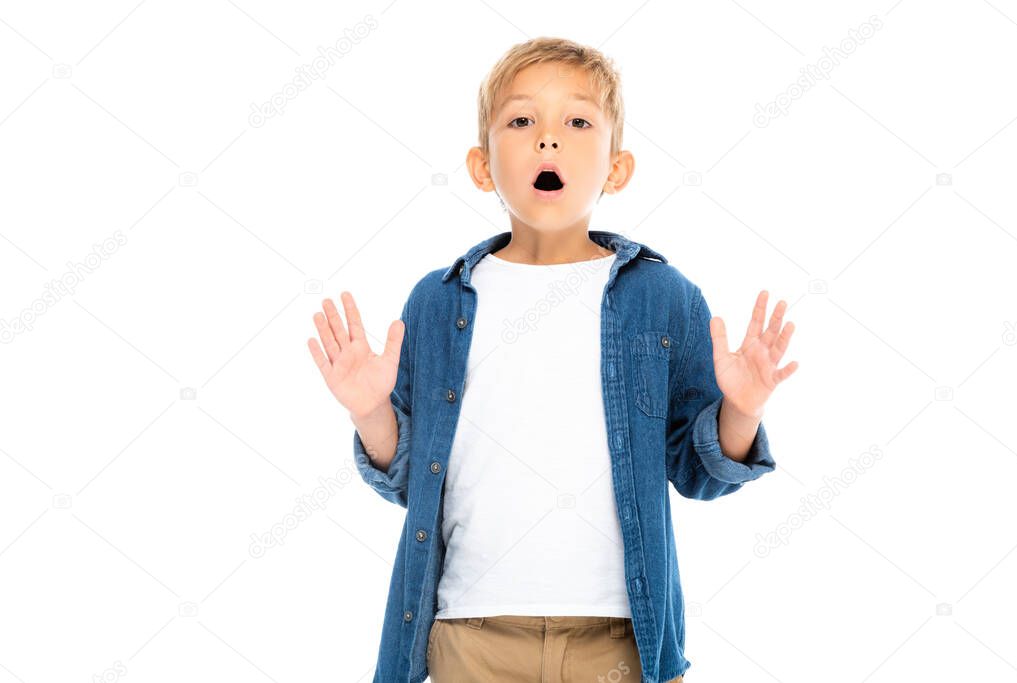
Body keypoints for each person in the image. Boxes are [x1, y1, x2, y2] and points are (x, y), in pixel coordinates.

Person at [307, 36, 798, 683]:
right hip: (471, 633)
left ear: (616, 168)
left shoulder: (661, 296)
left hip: (621, 638)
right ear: (483, 165)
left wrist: (741, 407)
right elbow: (409, 478)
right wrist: (371, 411)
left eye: (576, 121)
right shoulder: (438, 301)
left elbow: (697, 467)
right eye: (521, 120)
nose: (548, 140)